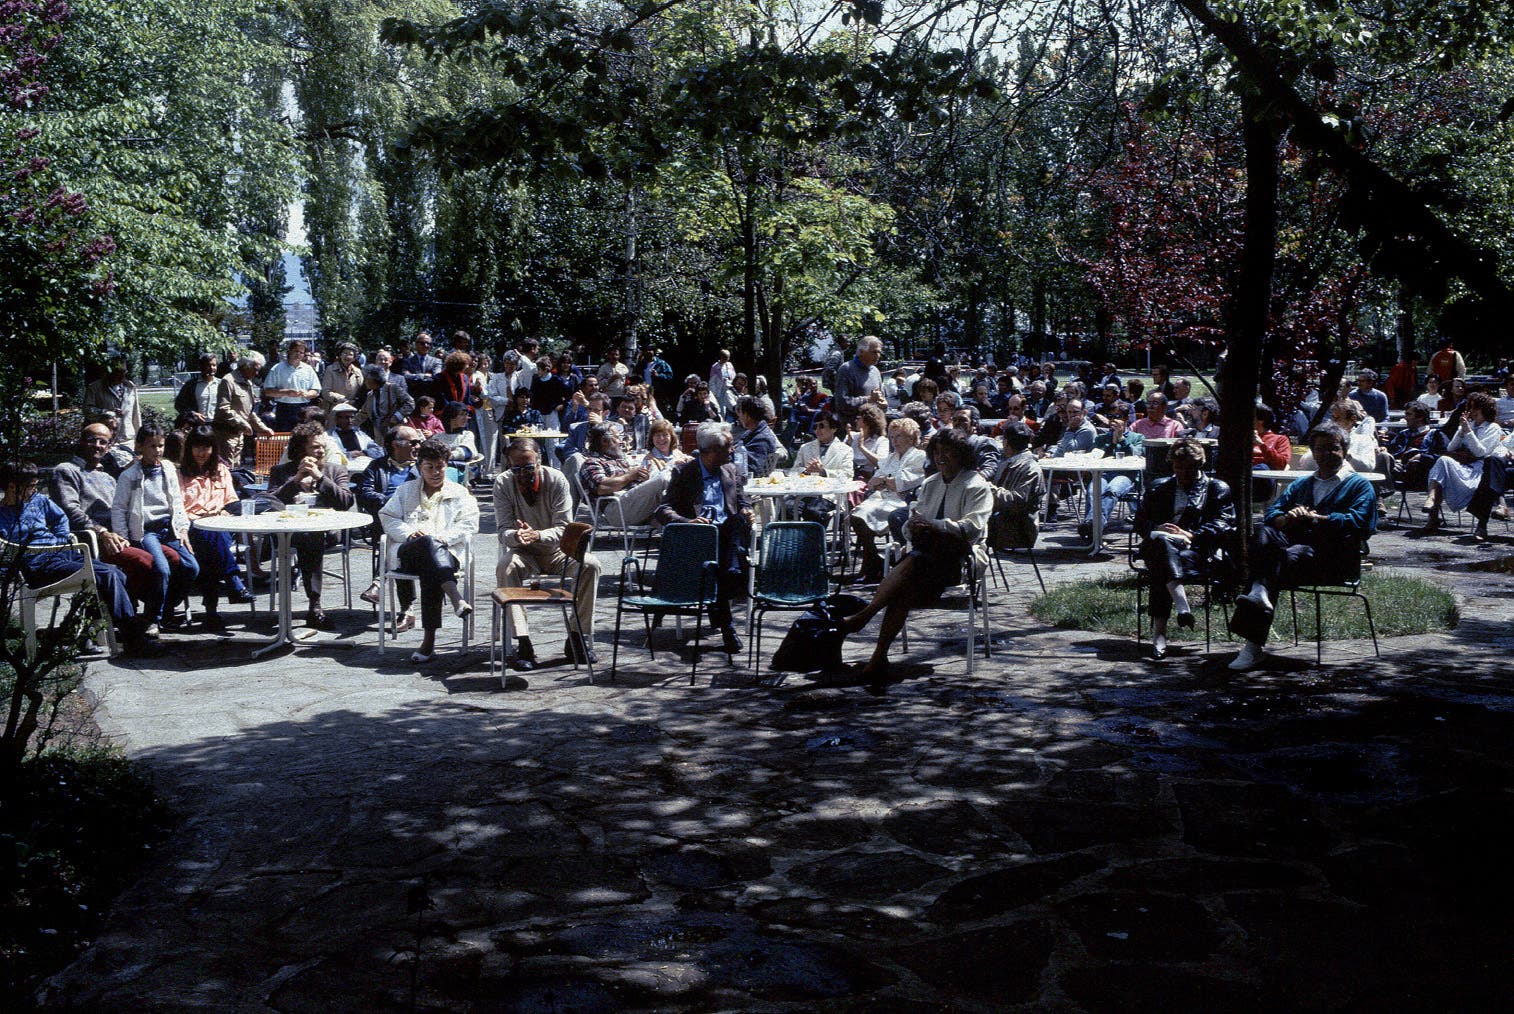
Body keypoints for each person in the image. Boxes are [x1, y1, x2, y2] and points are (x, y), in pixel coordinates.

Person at [838, 428, 993, 693]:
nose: (942, 458)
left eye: (948, 453)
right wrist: (915, 527)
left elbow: (973, 528)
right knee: (904, 589)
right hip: (926, 560)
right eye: (937, 452)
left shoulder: (976, 485)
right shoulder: (930, 483)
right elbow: (911, 524)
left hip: (958, 559)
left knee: (916, 560)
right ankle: (878, 657)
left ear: (961, 456)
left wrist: (935, 525)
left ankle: (865, 615)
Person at [1230, 424, 1377, 671]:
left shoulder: (1360, 486)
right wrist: (1288, 517)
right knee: (1268, 536)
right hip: (1291, 559)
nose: (1325, 454)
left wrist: (1319, 519)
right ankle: (1259, 597)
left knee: (1276, 563)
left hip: (1332, 560)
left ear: (1345, 451)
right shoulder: (1302, 484)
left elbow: (1361, 524)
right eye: (1319, 449)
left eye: (1333, 448)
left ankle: (1252, 644)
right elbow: (1272, 515)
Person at [2, 460, 149, 653]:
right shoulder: (2, 516)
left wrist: (60, 539)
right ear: (12, 487)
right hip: (39, 565)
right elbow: (7, 553)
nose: (33, 491)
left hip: (62, 553)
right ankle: (133, 640)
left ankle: (82, 633)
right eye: (30, 487)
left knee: (115, 573)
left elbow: (60, 518)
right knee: (106, 575)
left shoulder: (38, 500)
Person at [494, 438, 602, 669]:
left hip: (557, 551)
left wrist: (538, 535)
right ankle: (522, 641)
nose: (522, 474)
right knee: (506, 567)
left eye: (528, 467)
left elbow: (565, 528)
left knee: (590, 565)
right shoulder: (503, 483)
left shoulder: (556, 479)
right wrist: (516, 535)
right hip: (523, 552)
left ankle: (577, 636)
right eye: (516, 468)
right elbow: (503, 529)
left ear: (539, 460)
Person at [653, 421, 752, 655]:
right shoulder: (685, 473)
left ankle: (730, 582)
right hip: (698, 539)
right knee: (724, 566)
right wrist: (689, 523)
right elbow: (663, 510)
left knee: (736, 524)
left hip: (727, 535)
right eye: (728, 447)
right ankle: (727, 624)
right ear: (710, 452)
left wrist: (747, 509)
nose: (732, 450)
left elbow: (742, 500)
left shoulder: (730, 471)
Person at [378, 438, 479, 663]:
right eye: (429, 467)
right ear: (420, 467)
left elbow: (470, 524)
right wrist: (407, 533)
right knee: (427, 545)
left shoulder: (460, 492)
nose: (435, 472)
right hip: (409, 552)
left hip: (447, 552)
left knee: (432, 562)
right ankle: (456, 598)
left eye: (440, 467)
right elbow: (387, 516)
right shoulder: (406, 490)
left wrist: (443, 538)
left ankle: (429, 642)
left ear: (447, 466)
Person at [1134, 438, 1236, 660]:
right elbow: (1139, 522)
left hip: (1196, 549)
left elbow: (1225, 522)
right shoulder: (1160, 487)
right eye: (1178, 467)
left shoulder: (1216, 488)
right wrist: (1157, 527)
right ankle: (1182, 608)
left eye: (1190, 468)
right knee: (1162, 545)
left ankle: (1160, 633)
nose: (1183, 473)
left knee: (1161, 565)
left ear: (1200, 465)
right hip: (1160, 543)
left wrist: (1193, 534)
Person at [111, 422, 199, 635]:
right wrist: (123, 537)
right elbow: (119, 508)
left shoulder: (168, 468)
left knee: (191, 567)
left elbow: (177, 502)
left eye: (160, 446)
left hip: (168, 529)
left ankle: (168, 606)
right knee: (161, 569)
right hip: (146, 530)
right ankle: (152, 617)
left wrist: (182, 529)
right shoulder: (130, 475)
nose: (157, 450)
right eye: (152, 446)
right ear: (139, 447)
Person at [267, 422, 356, 628]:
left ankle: (315, 605)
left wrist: (319, 477)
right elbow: (268, 500)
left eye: (322, 446)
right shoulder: (281, 471)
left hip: (325, 531)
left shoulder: (335, 470)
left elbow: (346, 501)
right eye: (315, 447)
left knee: (312, 536)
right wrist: (296, 480)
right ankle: (311, 605)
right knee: (307, 536)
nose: (321, 450)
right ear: (300, 449)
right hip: (288, 531)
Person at [177, 426, 255, 630]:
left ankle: (212, 609)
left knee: (214, 538)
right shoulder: (179, 474)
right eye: (197, 448)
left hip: (219, 525)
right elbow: (177, 509)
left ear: (213, 449)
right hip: (192, 526)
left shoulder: (221, 471)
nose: (202, 453)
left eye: (207, 448)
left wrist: (225, 514)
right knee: (208, 537)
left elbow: (231, 502)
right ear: (189, 449)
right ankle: (233, 582)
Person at [851, 417, 928, 582]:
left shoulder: (918, 456)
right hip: (881, 498)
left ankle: (871, 564)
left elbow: (905, 481)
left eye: (899, 436)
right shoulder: (890, 458)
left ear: (911, 437)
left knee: (862, 516)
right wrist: (886, 481)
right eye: (892, 437)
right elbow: (872, 482)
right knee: (856, 515)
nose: (895, 441)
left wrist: (885, 481)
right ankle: (874, 561)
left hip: (902, 501)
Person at [1422, 391, 1504, 530]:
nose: (1472, 411)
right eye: (1471, 407)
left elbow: (1480, 452)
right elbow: (1451, 447)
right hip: (1462, 465)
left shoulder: (1493, 428)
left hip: (1480, 470)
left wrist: (1468, 432)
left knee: (1443, 469)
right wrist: (1461, 431)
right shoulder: (1468, 424)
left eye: (1476, 408)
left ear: (1485, 409)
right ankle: (1432, 499)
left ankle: (1433, 514)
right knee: (1443, 461)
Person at [579, 422, 672, 525]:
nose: (621, 442)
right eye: (617, 437)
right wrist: (630, 476)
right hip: (616, 510)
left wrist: (644, 479)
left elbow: (632, 483)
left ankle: (683, 524)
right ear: (604, 441)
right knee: (664, 478)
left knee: (674, 480)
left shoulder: (619, 461)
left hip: (632, 505)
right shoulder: (592, 462)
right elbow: (602, 487)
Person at [1079, 415, 1145, 542]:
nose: (1114, 421)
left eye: (1119, 417)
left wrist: (1121, 439)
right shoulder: (1101, 438)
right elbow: (1094, 456)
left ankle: (1092, 525)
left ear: (1126, 420)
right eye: (1112, 417)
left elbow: (1137, 454)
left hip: (1125, 475)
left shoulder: (1137, 437)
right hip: (1103, 473)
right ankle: (1093, 526)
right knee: (1093, 491)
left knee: (1111, 490)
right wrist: (1111, 443)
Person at [987, 422, 1042, 552]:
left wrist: (989, 489)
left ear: (1006, 442)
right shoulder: (1008, 461)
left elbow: (1017, 501)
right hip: (1003, 524)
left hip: (1017, 531)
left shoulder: (1030, 467)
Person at [262, 341, 322, 431]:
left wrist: (307, 394)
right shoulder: (277, 368)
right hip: (283, 408)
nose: (298, 354)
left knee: (302, 437)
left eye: (301, 352)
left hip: (303, 408)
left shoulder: (308, 369)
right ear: (289, 351)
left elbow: (316, 391)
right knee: (284, 437)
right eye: (296, 351)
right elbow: (267, 391)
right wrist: (286, 392)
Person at [83, 358, 142, 445]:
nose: (122, 375)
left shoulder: (130, 387)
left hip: (127, 439)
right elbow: (87, 409)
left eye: (124, 372)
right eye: (118, 371)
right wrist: (106, 412)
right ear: (109, 371)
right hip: (104, 440)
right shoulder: (95, 387)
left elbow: (136, 413)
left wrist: (139, 438)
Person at [832, 335, 886, 427]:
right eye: (874, 352)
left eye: (879, 352)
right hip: (853, 428)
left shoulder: (875, 371)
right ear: (861, 352)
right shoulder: (846, 369)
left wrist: (883, 404)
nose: (878, 355)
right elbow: (842, 403)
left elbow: (881, 398)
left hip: (873, 426)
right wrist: (868, 399)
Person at [174, 351, 222, 420]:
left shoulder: (222, 384)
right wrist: (193, 414)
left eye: (214, 365)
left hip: (216, 425)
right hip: (197, 426)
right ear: (201, 366)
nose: (212, 368)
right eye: (208, 365)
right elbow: (179, 405)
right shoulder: (191, 385)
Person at [849, 403, 889, 482]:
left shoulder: (881, 441)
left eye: (859, 418)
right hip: (848, 476)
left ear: (867, 421)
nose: (856, 420)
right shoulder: (851, 436)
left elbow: (882, 463)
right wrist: (847, 445)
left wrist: (862, 447)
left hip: (868, 480)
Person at [399, 332, 443, 401]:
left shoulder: (437, 361)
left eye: (428, 343)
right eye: (422, 343)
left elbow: (436, 377)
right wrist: (423, 376)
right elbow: (405, 376)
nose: (425, 345)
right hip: (413, 399)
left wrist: (413, 376)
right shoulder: (407, 361)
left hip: (431, 399)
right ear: (416, 344)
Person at [321, 342, 365, 411]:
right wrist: (343, 400)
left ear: (354, 358)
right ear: (340, 355)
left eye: (350, 354)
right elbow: (325, 392)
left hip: (353, 408)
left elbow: (362, 391)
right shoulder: (330, 369)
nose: (347, 356)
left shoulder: (358, 371)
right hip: (334, 408)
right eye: (345, 353)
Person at [1252, 405, 1293, 470]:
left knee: (1262, 467)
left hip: (1262, 474)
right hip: (1240, 471)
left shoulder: (1280, 439)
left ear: (1261, 420)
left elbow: (1282, 463)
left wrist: (1262, 445)